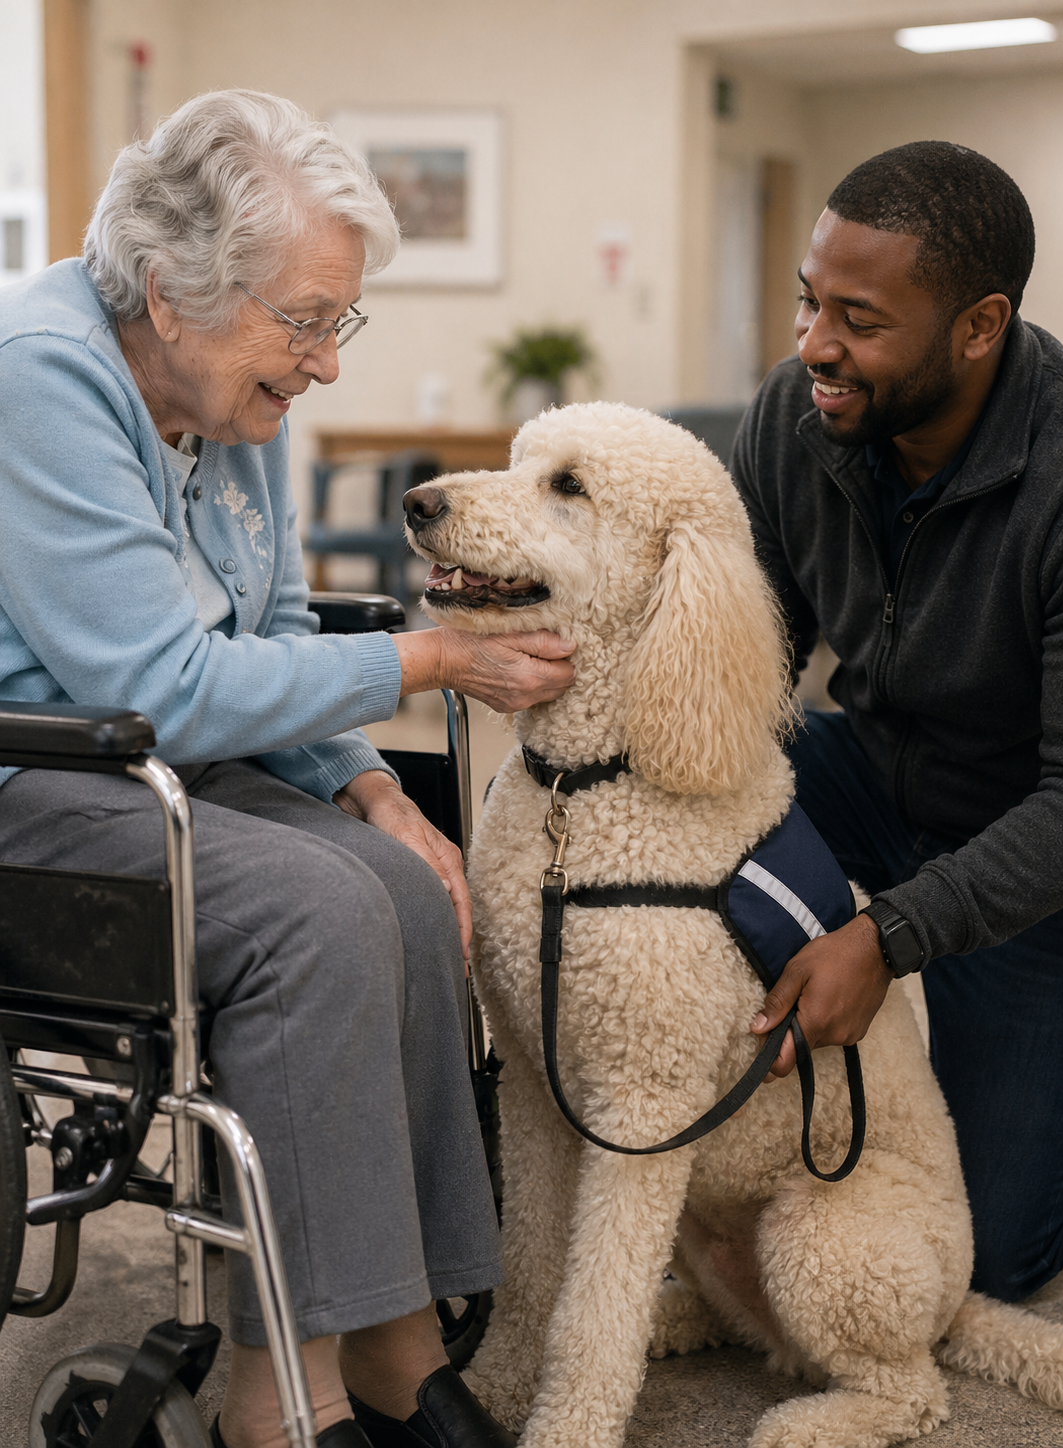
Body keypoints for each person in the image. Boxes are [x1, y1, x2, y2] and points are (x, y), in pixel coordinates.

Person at [0, 91, 576, 1448]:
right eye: (302, 321)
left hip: (165, 770)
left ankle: (399, 1342)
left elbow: (270, 642)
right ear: (171, 292)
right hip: (40, 785)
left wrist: (374, 794)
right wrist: (437, 664)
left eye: (337, 322)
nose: (323, 363)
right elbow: (163, 686)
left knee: (405, 881)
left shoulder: (232, 403)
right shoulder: (42, 375)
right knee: (315, 914)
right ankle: (287, 1397)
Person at [734, 140, 1063, 1306]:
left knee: (991, 1256)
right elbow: (752, 671)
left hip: (1041, 833)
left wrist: (888, 935)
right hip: (872, 768)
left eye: (858, 318)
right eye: (807, 299)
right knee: (679, 797)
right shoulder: (795, 417)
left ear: (979, 326)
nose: (813, 345)